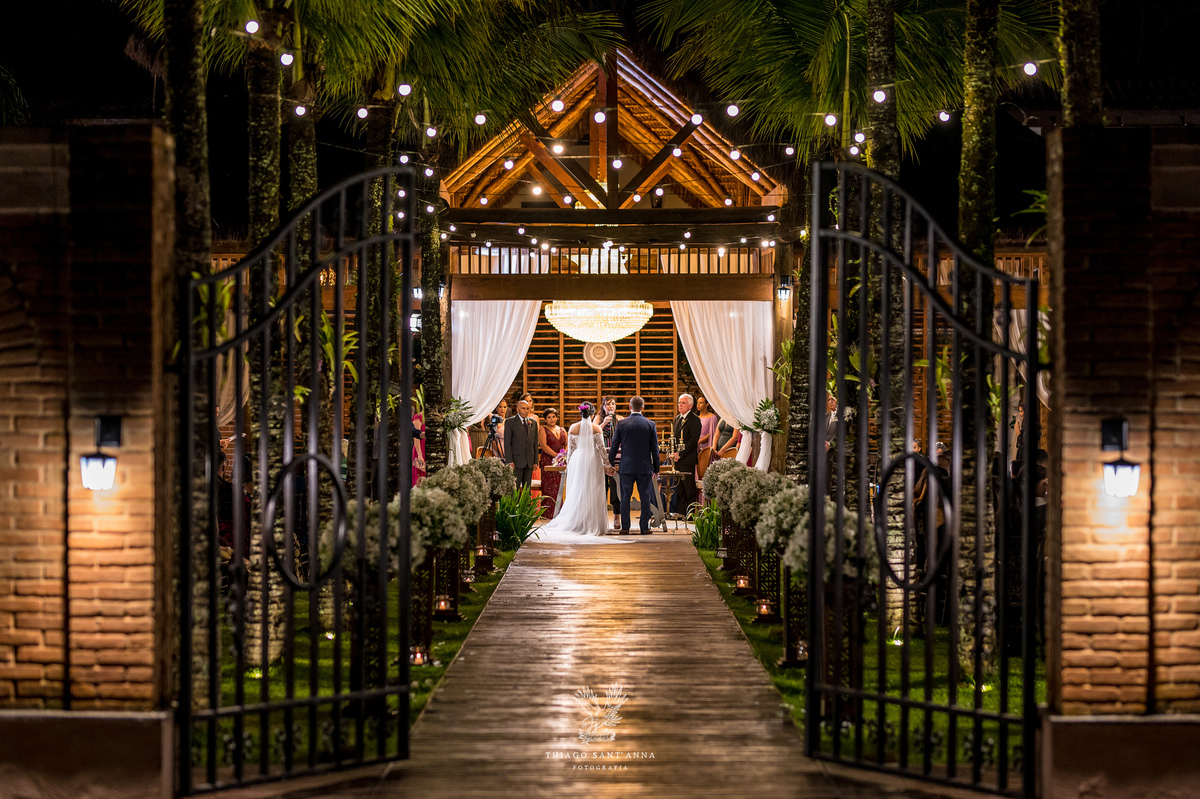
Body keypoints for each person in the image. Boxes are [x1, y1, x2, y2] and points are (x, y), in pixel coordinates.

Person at [538, 402, 617, 540]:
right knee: (593, 490)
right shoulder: (596, 428)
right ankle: (593, 523)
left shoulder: (573, 428)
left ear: (581, 413)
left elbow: (571, 450)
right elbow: (602, 450)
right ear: (592, 414)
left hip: (578, 460)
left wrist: (568, 466)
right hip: (593, 460)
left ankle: (577, 521)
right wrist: (608, 465)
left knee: (578, 489)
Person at [608, 396, 661, 534]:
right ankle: (644, 527)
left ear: (629, 407)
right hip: (644, 467)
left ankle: (625, 527)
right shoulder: (650, 424)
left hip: (626, 467)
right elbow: (655, 449)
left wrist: (610, 464)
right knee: (645, 497)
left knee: (625, 497)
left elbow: (614, 446)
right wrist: (657, 468)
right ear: (643, 408)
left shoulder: (622, 424)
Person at [669, 393, 702, 518]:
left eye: (683, 403)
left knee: (688, 488)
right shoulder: (678, 418)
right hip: (677, 459)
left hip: (687, 459)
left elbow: (693, 441)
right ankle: (680, 512)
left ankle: (690, 514)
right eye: (679, 402)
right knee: (679, 488)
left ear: (690, 405)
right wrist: (672, 453)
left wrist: (680, 454)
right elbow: (674, 437)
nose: (680, 405)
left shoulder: (694, 420)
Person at [598, 395, 623, 530]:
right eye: (607, 404)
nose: (611, 406)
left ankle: (616, 517)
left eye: (613, 404)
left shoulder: (620, 419)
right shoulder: (598, 418)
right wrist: (603, 424)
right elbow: (592, 433)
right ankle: (601, 519)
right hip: (601, 458)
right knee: (601, 489)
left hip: (616, 458)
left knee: (615, 489)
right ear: (603, 407)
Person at [537, 407, 567, 519]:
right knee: (549, 486)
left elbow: (567, 444)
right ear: (545, 419)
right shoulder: (542, 430)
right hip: (548, 461)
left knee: (559, 486)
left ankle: (560, 513)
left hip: (561, 462)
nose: (552, 419)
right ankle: (547, 514)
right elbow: (543, 446)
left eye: (553, 417)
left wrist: (563, 456)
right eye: (549, 417)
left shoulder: (562, 429)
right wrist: (556, 455)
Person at [503, 399, 539, 489]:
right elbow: (507, 443)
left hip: (529, 461)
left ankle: (527, 503)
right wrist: (510, 461)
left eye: (527, 408)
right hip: (516, 460)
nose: (526, 411)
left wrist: (535, 461)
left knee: (527, 489)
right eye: (523, 408)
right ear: (517, 409)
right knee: (515, 489)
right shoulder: (510, 422)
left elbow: (535, 443)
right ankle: (514, 504)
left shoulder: (533, 423)